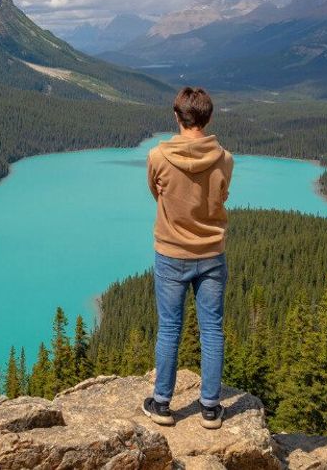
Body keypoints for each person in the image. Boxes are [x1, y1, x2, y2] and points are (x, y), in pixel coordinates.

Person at [141, 86, 234, 430]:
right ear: (208, 118)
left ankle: (162, 404)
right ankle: (210, 408)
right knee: (212, 328)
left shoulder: (157, 156)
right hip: (211, 254)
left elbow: (156, 192)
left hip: (170, 252)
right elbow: (221, 196)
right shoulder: (225, 158)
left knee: (169, 328)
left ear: (177, 116)